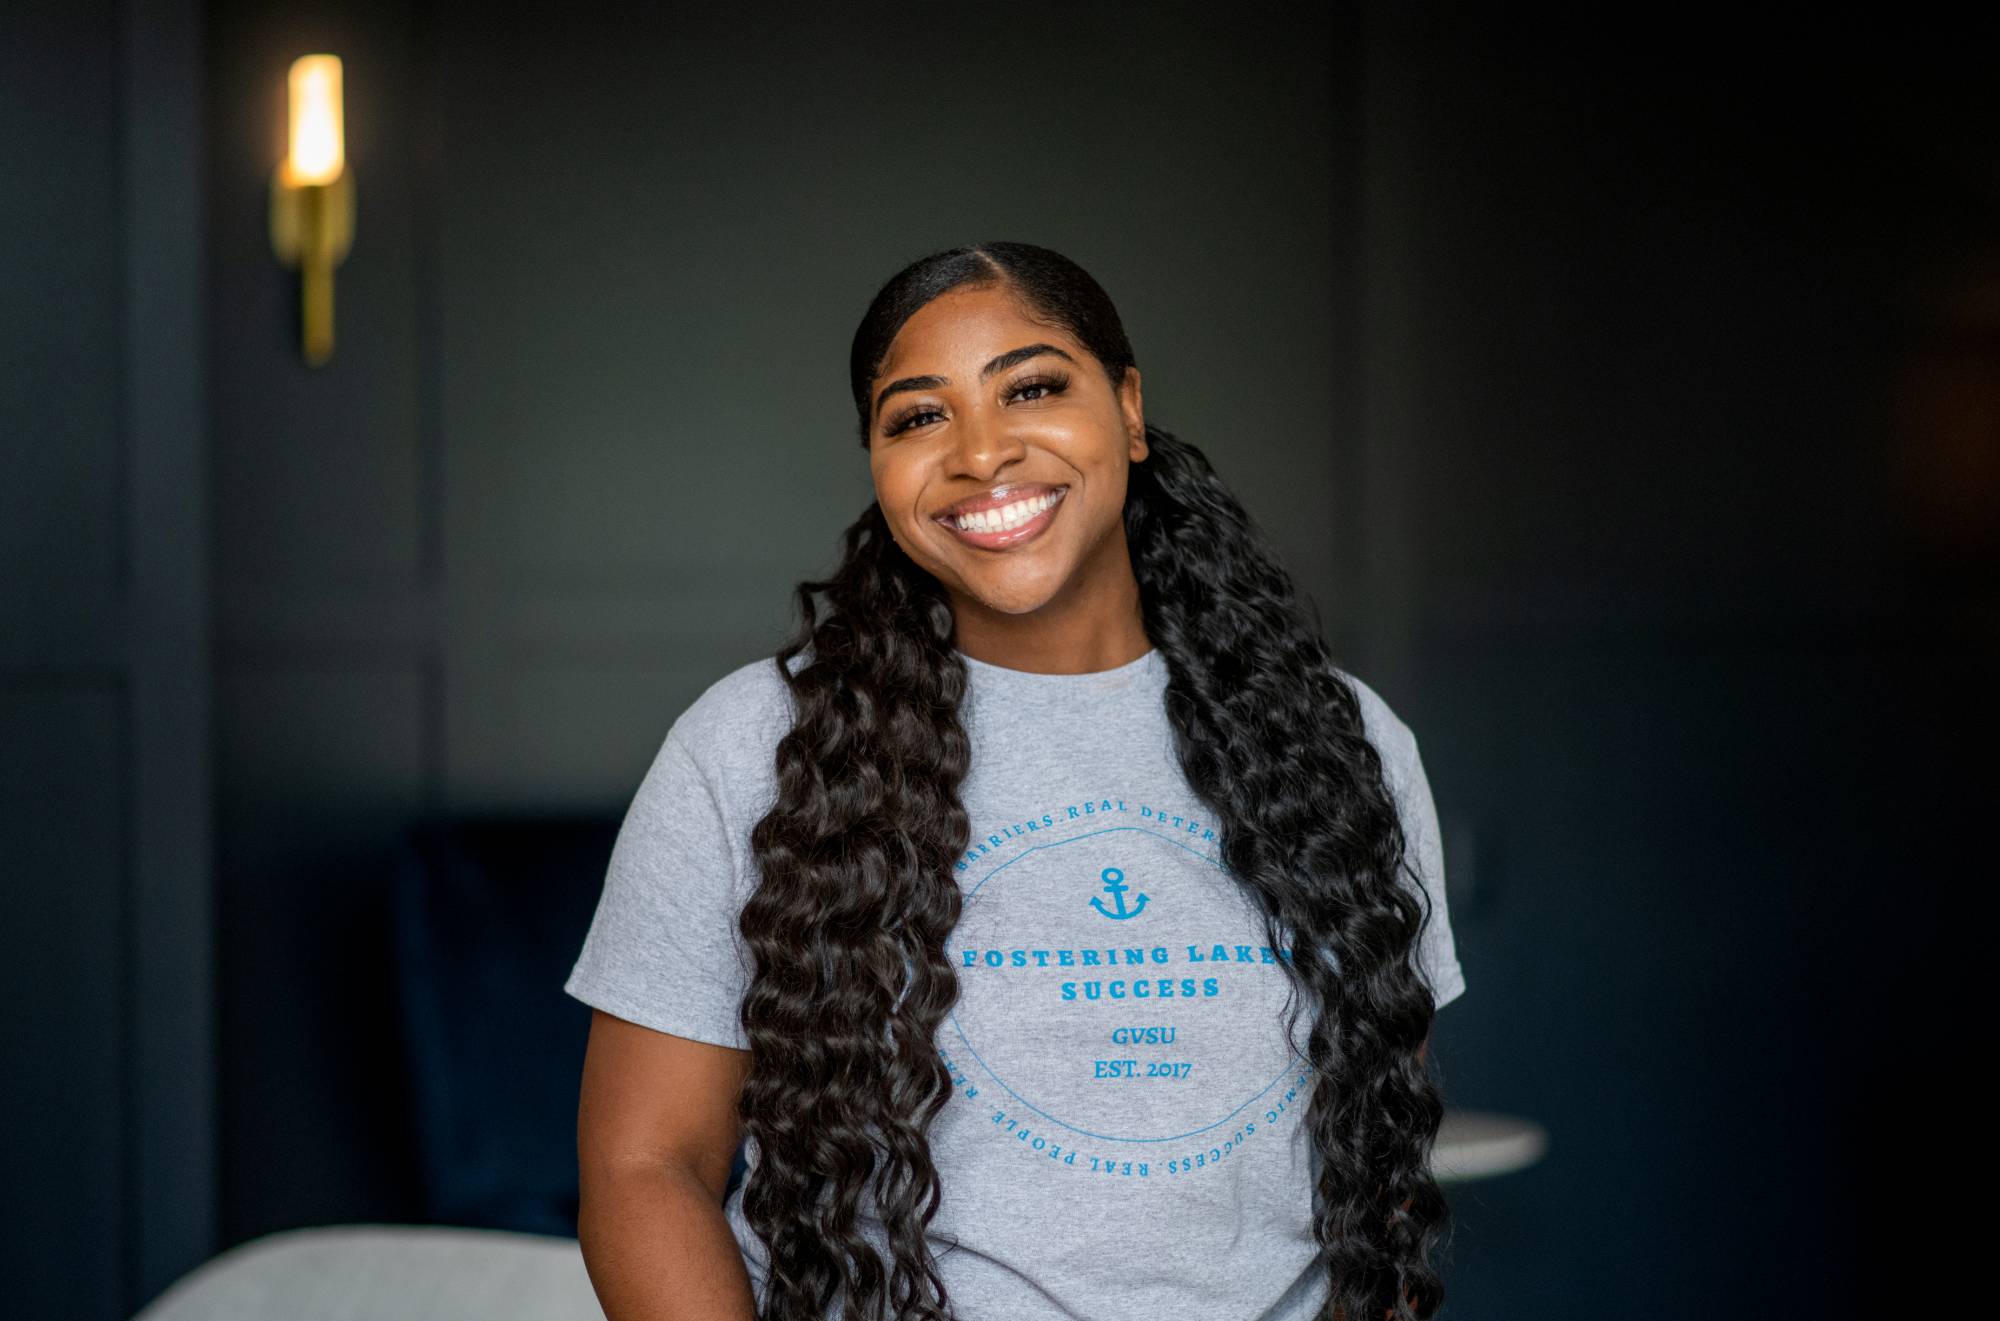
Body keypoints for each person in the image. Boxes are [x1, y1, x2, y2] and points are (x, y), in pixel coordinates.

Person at [565, 240, 1467, 1321]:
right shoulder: (753, 746)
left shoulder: (1340, 740)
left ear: (1127, 410)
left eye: (1031, 388)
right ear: (876, 464)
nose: (981, 451)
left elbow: (1379, 1149)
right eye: (918, 416)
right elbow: (645, 1167)